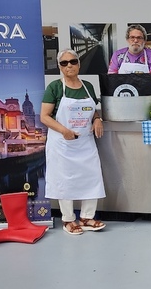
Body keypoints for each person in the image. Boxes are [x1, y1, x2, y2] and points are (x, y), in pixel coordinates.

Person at [41, 49, 107, 235]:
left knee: (91, 176)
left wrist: (97, 119)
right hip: (62, 143)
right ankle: (68, 220)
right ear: (60, 67)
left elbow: (93, 108)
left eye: (73, 61)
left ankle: (86, 217)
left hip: (85, 142)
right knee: (65, 180)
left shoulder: (87, 86)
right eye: (64, 63)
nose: (69, 65)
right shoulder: (55, 87)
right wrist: (64, 131)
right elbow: (45, 117)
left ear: (78, 64)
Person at [108, 24, 151, 91]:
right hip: (123, 96)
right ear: (127, 40)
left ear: (144, 40)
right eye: (132, 37)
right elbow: (111, 80)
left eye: (139, 38)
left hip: (146, 98)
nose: (135, 40)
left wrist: (140, 96)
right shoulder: (117, 55)